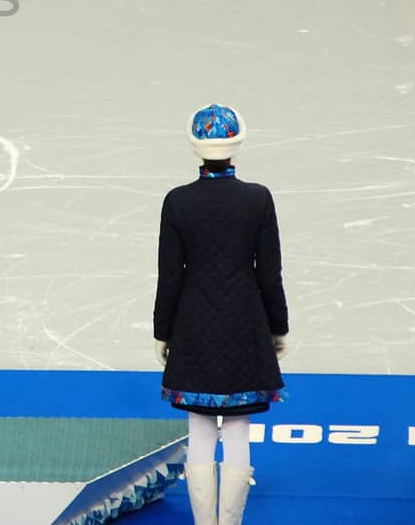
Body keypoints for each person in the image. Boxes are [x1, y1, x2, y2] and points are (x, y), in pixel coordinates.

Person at [153, 104, 288, 525]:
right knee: (237, 428)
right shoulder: (257, 199)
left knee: (199, 427)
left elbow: (170, 275)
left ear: (195, 147)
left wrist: (163, 330)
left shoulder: (178, 203)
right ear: (238, 143)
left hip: (193, 325)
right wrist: (278, 326)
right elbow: (269, 272)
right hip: (245, 323)